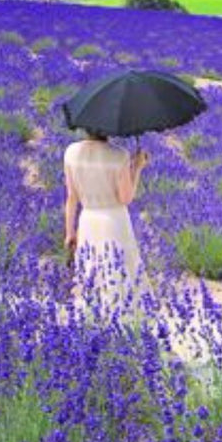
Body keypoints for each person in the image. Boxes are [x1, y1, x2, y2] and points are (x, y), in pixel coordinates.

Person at [64, 129, 149, 316]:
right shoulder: (119, 155)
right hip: (114, 221)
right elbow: (125, 198)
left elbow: (71, 197)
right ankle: (120, 317)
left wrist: (70, 231)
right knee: (117, 270)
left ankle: (89, 317)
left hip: (87, 220)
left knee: (89, 270)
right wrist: (137, 168)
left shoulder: (71, 152)